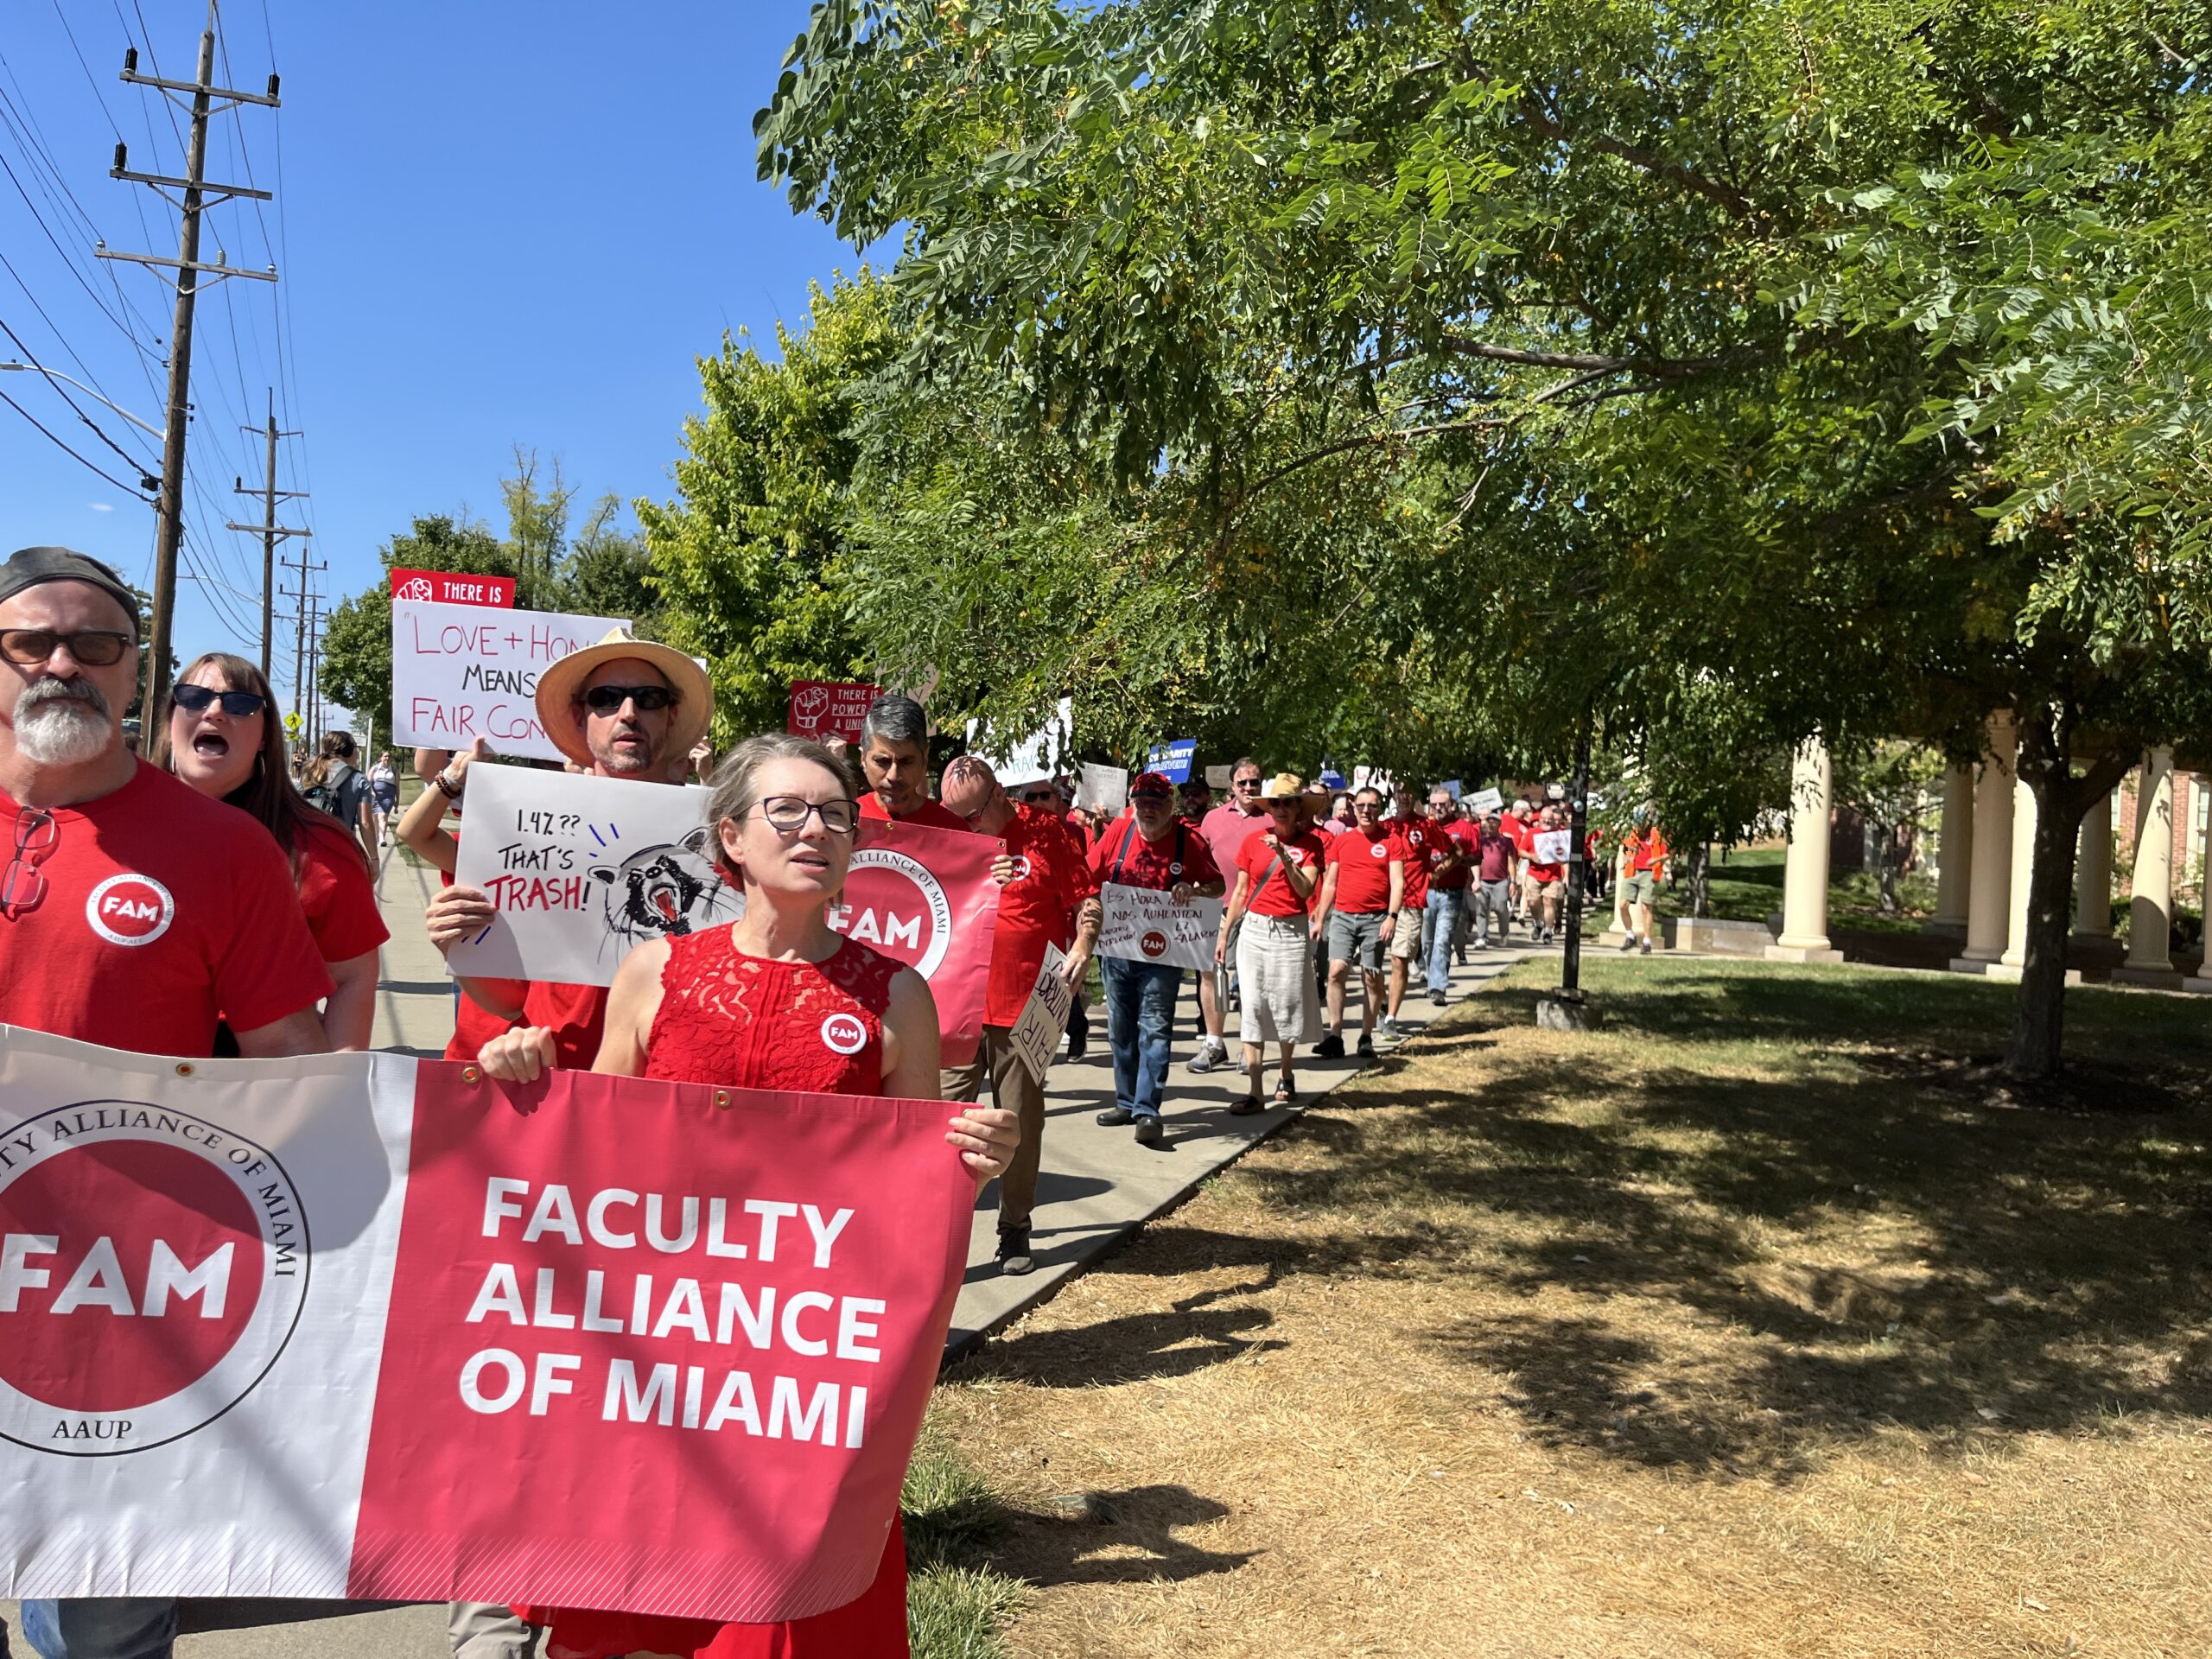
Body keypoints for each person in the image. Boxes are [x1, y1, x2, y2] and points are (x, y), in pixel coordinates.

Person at [476, 732, 1018, 1659]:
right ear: (730, 837)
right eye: (789, 810)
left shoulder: (898, 998)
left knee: (769, 1625)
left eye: (837, 815)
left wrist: (977, 1159)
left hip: (796, 1372)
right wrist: (515, 1075)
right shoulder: (654, 971)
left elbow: (911, 1200)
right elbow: (592, 1156)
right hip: (654, 1350)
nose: (818, 829)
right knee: (622, 1611)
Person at [0, 547, 333, 1659]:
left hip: (116, 1311)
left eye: (95, 645)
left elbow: (294, 1068)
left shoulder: (226, 852)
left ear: (136, 673)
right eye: (30, 643)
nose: (61, 665)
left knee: (100, 1631)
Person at [419, 629, 712, 1659]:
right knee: (520, 1396)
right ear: (579, 727)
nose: (627, 713)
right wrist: (478, 978)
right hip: (542, 1170)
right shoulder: (522, 831)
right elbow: (496, 1018)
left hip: (677, 1191)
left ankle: (616, 1607)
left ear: (676, 722)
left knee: (638, 1417)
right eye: (605, 700)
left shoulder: (728, 842)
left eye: (647, 699)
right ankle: (495, 1621)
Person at [167, 652, 389, 1052]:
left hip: (250, 1080)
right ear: (171, 719)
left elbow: (353, 977)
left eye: (240, 704)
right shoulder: (107, 821)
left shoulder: (319, 846)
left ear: (266, 735)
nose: (215, 711)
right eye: (194, 697)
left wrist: (330, 1090)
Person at [937, 756, 1099, 1274]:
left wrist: (1084, 945)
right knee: (942, 1122)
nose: (963, 827)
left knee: (1018, 1123)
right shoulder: (950, 834)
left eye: (971, 817)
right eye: (954, 817)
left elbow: (1086, 900)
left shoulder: (1050, 834)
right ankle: (936, 1227)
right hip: (957, 1005)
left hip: (1024, 1006)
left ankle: (1015, 1229)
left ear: (999, 798)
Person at [1089, 770, 1223, 1146]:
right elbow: (1088, 872)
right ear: (1133, 804)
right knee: (1120, 1030)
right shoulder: (1119, 832)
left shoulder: (1188, 840)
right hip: (1117, 951)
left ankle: (1148, 1111)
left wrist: (1193, 890)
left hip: (1163, 954)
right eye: (1142, 801)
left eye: (1156, 802)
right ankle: (1126, 1102)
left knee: (1156, 1028)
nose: (1148, 809)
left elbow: (1218, 886)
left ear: (1170, 806)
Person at [1216, 773, 1323, 1109]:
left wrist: (1285, 855)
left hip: (1291, 931)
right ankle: (1256, 1091)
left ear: (1298, 808)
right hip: (1255, 930)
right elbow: (1241, 892)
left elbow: (1305, 891)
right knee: (1252, 1006)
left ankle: (1287, 1073)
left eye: (1287, 803)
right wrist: (1225, 933)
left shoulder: (1312, 845)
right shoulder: (1252, 841)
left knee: (1287, 1005)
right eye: (1274, 803)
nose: (1280, 809)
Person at [1312, 785, 1403, 1060]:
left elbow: (1398, 882)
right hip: (1342, 915)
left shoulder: (1391, 840)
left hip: (1375, 918)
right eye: (1361, 806)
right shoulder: (1342, 841)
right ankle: (1335, 1036)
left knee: (1371, 976)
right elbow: (1330, 882)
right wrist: (1319, 917)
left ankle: (1365, 1036)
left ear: (1380, 808)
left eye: (1372, 806)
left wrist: (1392, 917)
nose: (1366, 811)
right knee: (1336, 971)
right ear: (1353, 808)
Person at [855, 692, 968, 830]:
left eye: (906, 761)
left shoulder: (954, 832)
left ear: (924, 759)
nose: (893, 776)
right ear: (863, 758)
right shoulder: (844, 824)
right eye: (883, 762)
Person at [1381, 785, 1438, 1036]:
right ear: (1393, 795)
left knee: (1399, 960)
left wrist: (1435, 874)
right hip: (1381, 902)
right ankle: (1382, 1002)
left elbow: (1456, 851)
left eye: (1409, 792)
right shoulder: (1385, 827)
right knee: (1370, 966)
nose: (1404, 797)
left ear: (1414, 797)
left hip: (1411, 903)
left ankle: (1391, 1018)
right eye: (1399, 792)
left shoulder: (1427, 826)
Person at [300, 728, 378, 873]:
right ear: (346, 750)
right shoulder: (359, 779)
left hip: (305, 848)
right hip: (340, 851)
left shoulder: (309, 772)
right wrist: (374, 860)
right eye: (355, 747)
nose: (357, 751)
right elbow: (365, 822)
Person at [1421, 789, 1472, 1003]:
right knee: (1427, 942)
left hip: (1452, 892)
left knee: (1442, 941)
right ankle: (1431, 975)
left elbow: (1475, 857)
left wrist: (1455, 862)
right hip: (1426, 892)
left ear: (1452, 804)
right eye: (1434, 804)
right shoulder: (1424, 828)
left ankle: (1438, 987)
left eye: (1443, 804)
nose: (1439, 808)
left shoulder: (1464, 828)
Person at [1619, 805, 1670, 954]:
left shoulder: (1656, 834)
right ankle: (1630, 935)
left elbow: (1667, 854)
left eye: (1642, 824)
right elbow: (1626, 849)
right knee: (1623, 904)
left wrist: (1656, 860)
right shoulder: (1632, 834)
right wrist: (1626, 860)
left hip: (1649, 873)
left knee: (1646, 908)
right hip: (1632, 871)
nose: (1639, 827)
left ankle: (1647, 942)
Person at [1523, 803, 1568, 944]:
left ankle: (1548, 931)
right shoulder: (1532, 833)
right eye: (1544, 818)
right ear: (1540, 819)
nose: (1547, 821)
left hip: (1553, 875)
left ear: (1554, 820)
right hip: (1534, 873)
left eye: (1550, 819)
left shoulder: (1560, 835)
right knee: (1533, 901)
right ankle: (1538, 923)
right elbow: (1521, 851)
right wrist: (1531, 856)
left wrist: (1565, 869)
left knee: (1549, 902)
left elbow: (1566, 857)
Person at [1472, 808, 1516, 947]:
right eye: (1488, 822)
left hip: (1501, 881)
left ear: (1499, 824)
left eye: (1494, 822)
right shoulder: (1480, 841)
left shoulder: (1506, 841)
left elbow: (1511, 862)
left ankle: (1504, 933)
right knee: (1481, 910)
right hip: (1483, 880)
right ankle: (1482, 936)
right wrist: (1476, 879)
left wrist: (1513, 882)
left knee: (1501, 908)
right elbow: (1475, 861)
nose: (1490, 825)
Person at [367, 747, 399, 842]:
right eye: (385, 756)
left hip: (388, 796)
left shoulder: (394, 770)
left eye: (389, 756)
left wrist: (397, 801)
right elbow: (368, 781)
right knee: (375, 818)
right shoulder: (375, 768)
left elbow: (397, 786)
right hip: (375, 796)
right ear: (380, 758)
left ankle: (382, 838)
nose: (387, 758)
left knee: (383, 816)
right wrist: (372, 791)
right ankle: (377, 836)